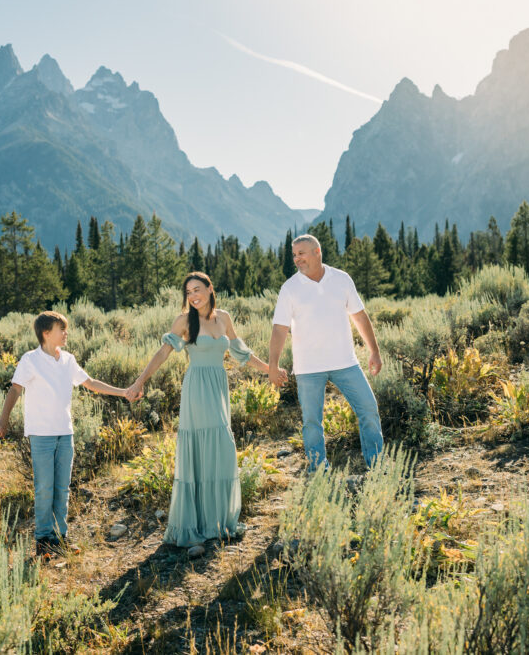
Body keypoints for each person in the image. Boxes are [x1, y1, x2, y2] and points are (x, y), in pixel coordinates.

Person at [128, 272, 282, 549]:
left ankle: (219, 520)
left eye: (197, 289)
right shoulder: (184, 320)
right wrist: (140, 381)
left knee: (221, 446)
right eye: (188, 292)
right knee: (205, 446)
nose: (193, 296)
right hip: (197, 389)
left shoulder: (223, 317)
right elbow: (163, 353)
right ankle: (197, 523)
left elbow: (241, 353)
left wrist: (270, 369)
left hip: (218, 386)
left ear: (211, 289)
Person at [0, 311, 131, 559]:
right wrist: (3, 418)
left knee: (62, 488)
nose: (66, 333)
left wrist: (124, 392)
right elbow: (15, 390)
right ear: (46, 333)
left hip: (65, 434)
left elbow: (90, 383)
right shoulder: (30, 359)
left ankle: (60, 537)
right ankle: (43, 541)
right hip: (41, 435)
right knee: (44, 488)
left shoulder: (68, 359)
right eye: (61, 329)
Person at [268, 234, 384, 472]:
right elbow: (280, 329)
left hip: (346, 362)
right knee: (312, 423)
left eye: (301, 253)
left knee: (369, 410)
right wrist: (272, 365)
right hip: (308, 368)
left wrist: (374, 351)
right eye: (294, 255)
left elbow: (359, 316)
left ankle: (377, 465)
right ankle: (318, 470)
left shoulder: (341, 279)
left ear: (317, 252)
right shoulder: (290, 288)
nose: (296, 259)